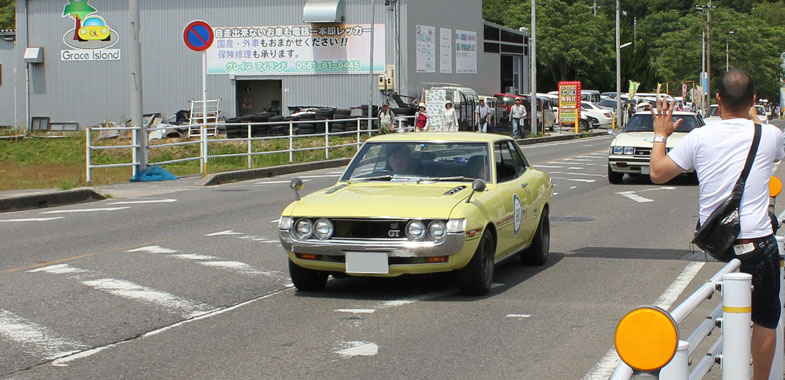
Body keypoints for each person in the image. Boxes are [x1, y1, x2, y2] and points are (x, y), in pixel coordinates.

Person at [649, 69, 784, 380]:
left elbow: (657, 172)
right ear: (753, 101)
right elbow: (765, 138)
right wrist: (752, 114)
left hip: (720, 244)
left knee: (737, 301)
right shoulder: (769, 134)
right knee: (765, 319)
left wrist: (661, 134)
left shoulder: (699, 136)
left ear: (717, 100)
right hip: (758, 246)